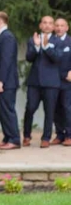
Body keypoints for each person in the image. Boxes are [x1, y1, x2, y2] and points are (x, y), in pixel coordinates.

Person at [23, 16, 62, 148]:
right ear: (40, 25)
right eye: (44, 23)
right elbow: (29, 58)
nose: (47, 25)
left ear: (53, 26)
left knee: (49, 112)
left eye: (50, 23)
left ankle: (46, 138)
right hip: (34, 82)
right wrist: (37, 46)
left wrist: (46, 47)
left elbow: (57, 58)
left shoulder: (58, 41)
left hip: (51, 83)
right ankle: (27, 136)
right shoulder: (33, 39)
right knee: (30, 109)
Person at [0, 12, 21, 150]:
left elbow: (6, 61)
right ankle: (7, 137)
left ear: (1, 21)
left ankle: (14, 139)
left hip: (6, 82)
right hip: (0, 81)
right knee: (2, 111)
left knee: (7, 110)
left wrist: (1, 80)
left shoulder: (7, 37)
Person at [51, 18, 71, 146]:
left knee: (67, 108)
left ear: (67, 28)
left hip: (66, 80)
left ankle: (69, 135)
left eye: (61, 25)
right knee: (55, 109)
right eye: (57, 25)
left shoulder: (70, 42)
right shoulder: (50, 41)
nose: (59, 28)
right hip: (52, 80)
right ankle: (59, 134)